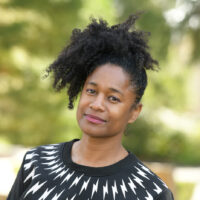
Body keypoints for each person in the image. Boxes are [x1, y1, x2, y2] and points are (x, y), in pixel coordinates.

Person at [7, 13, 174, 200]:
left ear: (134, 112)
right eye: (92, 91)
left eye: (113, 98)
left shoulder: (151, 193)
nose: (97, 105)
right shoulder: (36, 163)